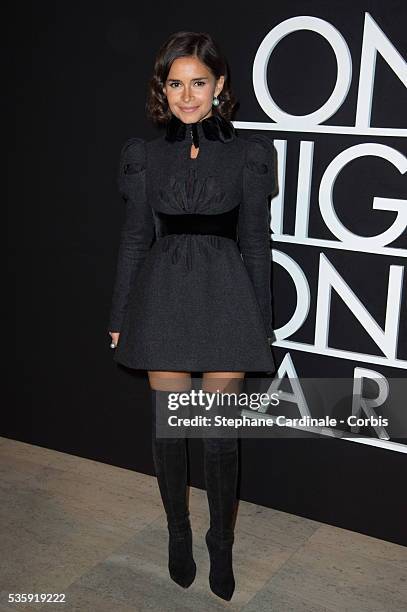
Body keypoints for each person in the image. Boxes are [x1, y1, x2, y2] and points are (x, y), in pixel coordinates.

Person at [107, 30, 276, 602]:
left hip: (227, 297)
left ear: (219, 85)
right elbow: (133, 239)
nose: (186, 95)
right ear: (164, 88)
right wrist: (119, 313)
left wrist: (261, 321)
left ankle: (219, 542)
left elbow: (257, 242)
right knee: (170, 433)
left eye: (197, 83)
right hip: (162, 299)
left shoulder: (248, 154)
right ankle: (178, 533)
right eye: (175, 84)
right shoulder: (145, 155)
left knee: (220, 438)